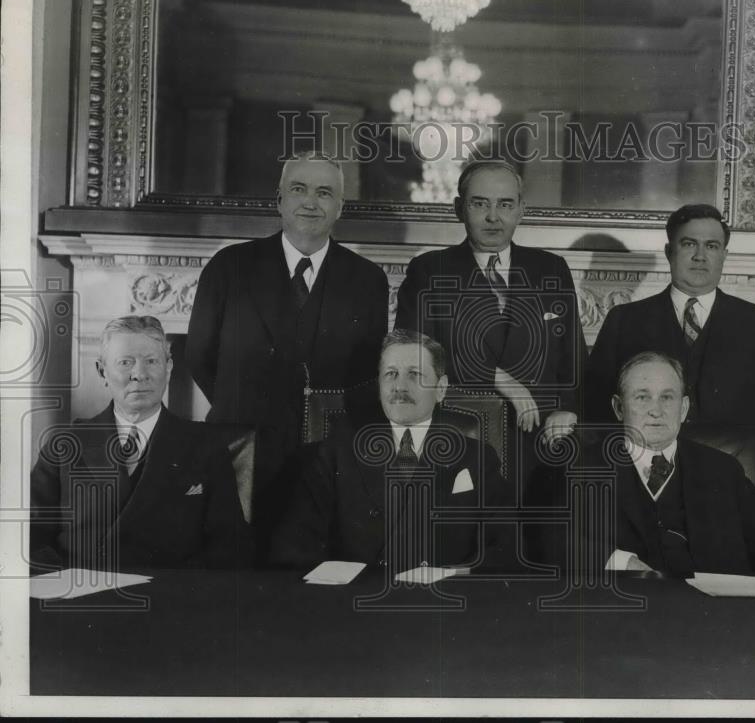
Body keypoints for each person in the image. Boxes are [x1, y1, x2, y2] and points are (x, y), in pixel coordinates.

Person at [186, 151, 389, 552]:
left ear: (339, 207)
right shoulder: (230, 266)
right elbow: (198, 355)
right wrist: (243, 405)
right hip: (240, 450)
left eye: (324, 192)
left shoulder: (367, 280)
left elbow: (368, 374)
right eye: (299, 189)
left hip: (326, 458)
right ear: (279, 199)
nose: (311, 202)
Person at [394, 159, 586, 560]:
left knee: (543, 557)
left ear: (521, 209)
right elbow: (416, 360)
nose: (493, 217)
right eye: (480, 203)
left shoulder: (551, 268)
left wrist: (567, 411)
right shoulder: (430, 270)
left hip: (542, 447)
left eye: (505, 204)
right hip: (464, 442)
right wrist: (500, 378)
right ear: (458, 208)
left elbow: (574, 363)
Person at [584, 204, 755, 507]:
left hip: (734, 488)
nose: (700, 256)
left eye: (712, 246)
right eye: (689, 244)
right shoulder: (625, 320)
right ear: (669, 251)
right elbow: (596, 412)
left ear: (724, 253)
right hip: (643, 486)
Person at [270, 329, 511, 572]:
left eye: (414, 374)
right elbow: (293, 546)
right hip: (355, 600)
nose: (399, 386)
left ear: (441, 389)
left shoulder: (477, 458)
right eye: (391, 374)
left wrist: (453, 573)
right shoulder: (336, 453)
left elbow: (506, 549)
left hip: (440, 602)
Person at [30, 316, 252, 573]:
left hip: (170, 602)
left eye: (151, 361)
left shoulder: (206, 446)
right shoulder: (64, 445)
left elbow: (230, 544)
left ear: (168, 367)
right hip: (82, 600)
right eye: (125, 362)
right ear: (102, 370)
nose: (140, 374)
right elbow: (28, 537)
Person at [587, 351, 755, 576]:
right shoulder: (582, 467)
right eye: (642, 397)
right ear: (619, 408)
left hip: (714, 616)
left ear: (683, 409)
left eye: (667, 397)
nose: (656, 410)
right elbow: (555, 539)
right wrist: (622, 562)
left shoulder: (721, 469)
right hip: (630, 614)